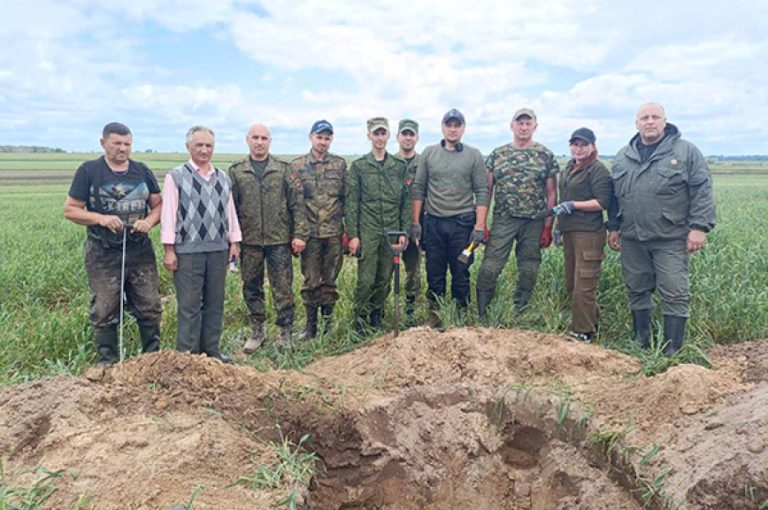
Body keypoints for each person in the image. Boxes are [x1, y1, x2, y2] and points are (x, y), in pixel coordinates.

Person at [608, 103, 715, 356]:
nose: (650, 121)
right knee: (636, 288)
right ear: (636, 123)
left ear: (665, 122)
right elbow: (614, 198)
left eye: (655, 117)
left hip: (670, 237)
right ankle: (642, 341)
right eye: (644, 117)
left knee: (674, 291)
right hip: (632, 237)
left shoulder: (685, 151)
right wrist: (613, 227)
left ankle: (672, 348)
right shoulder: (623, 156)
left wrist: (699, 227)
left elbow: (702, 189)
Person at [64, 122, 163, 365]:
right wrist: (101, 218)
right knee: (105, 307)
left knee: (149, 304)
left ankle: (151, 359)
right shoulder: (89, 171)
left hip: (139, 249)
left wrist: (149, 221)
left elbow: (159, 205)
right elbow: (70, 210)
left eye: (127, 144)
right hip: (103, 251)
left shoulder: (142, 171)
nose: (122, 148)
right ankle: (107, 362)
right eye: (116, 143)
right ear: (103, 143)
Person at [161, 126, 241, 363]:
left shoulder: (222, 177)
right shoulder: (176, 176)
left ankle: (211, 352)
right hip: (188, 251)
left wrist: (234, 242)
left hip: (218, 249)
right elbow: (168, 215)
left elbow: (230, 212)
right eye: (199, 145)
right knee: (190, 306)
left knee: (215, 303)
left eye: (209, 145)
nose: (204, 150)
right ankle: (188, 357)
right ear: (188, 147)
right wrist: (169, 250)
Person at [229, 124, 308, 351]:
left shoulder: (283, 169)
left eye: (264, 138)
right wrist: (232, 240)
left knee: (282, 287)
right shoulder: (236, 171)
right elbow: (230, 208)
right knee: (251, 286)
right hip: (249, 240)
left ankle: (285, 331)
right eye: (255, 137)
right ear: (248, 140)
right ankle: (257, 331)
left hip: (279, 240)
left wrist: (300, 234)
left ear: (270, 141)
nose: (259, 142)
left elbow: (297, 204)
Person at [476, 108, 559, 318]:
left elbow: (551, 193)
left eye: (528, 123)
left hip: (534, 222)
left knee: (529, 268)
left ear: (535, 127)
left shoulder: (545, 155)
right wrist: (481, 223)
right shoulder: (498, 154)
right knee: (490, 267)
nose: (523, 128)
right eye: (519, 123)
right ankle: (483, 312)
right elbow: (487, 190)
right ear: (511, 126)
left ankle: (520, 310)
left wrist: (548, 226)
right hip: (504, 220)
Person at [411, 109, 489, 326]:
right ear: (442, 127)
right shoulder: (429, 153)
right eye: (449, 125)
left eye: (457, 125)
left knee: (461, 273)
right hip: (434, 222)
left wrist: (479, 226)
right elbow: (419, 188)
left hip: (462, 223)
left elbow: (482, 191)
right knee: (434, 273)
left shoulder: (473, 155)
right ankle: (435, 316)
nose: (452, 129)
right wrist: (416, 223)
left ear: (463, 128)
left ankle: (460, 318)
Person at [345, 117, 410, 332]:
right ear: (369, 136)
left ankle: (376, 317)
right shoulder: (359, 167)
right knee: (366, 279)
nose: (380, 138)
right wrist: (353, 235)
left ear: (389, 135)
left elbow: (405, 202)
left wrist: (404, 231)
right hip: (368, 230)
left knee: (384, 278)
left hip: (391, 229)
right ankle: (359, 321)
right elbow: (352, 202)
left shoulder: (398, 166)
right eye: (376, 133)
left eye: (383, 133)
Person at [551, 127, 614, 342]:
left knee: (584, 285)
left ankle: (582, 332)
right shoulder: (569, 167)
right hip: (570, 232)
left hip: (588, 234)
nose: (579, 149)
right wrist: (559, 226)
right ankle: (592, 324)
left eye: (584, 145)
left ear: (593, 146)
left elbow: (602, 202)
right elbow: (562, 200)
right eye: (575, 144)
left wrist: (574, 205)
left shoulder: (597, 170)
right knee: (572, 283)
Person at [290, 120, 348, 340]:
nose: (323, 142)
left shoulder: (340, 165)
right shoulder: (297, 166)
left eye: (327, 138)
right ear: (311, 137)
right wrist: (297, 234)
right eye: (319, 137)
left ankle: (326, 326)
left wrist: (349, 233)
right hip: (310, 235)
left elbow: (346, 198)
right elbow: (294, 203)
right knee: (311, 282)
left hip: (333, 233)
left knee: (330, 282)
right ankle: (310, 327)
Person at [396, 118, 422, 318]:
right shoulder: (389, 163)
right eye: (404, 134)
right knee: (387, 269)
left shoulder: (424, 164)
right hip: (393, 223)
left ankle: (410, 310)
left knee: (413, 269)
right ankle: (381, 311)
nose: (407, 138)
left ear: (417, 138)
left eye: (411, 134)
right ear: (398, 137)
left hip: (416, 223)